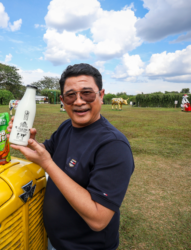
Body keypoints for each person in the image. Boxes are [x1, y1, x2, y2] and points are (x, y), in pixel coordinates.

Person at [8, 63, 134, 250]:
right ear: (62, 99)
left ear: (101, 95)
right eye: (70, 95)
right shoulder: (67, 126)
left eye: (87, 93)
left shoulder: (114, 145)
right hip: (54, 240)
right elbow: (46, 152)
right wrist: (29, 141)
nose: (78, 101)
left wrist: (48, 164)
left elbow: (98, 219)